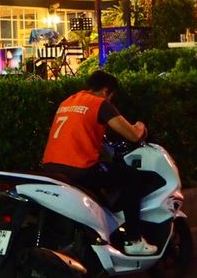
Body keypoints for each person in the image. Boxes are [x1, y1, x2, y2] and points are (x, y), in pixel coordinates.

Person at [41, 69, 157, 256]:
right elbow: (132, 135)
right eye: (111, 96)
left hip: (50, 167)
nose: (110, 100)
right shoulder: (99, 104)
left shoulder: (67, 102)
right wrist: (140, 127)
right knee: (131, 178)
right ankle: (134, 240)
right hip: (79, 168)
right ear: (106, 91)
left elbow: (78, 135)